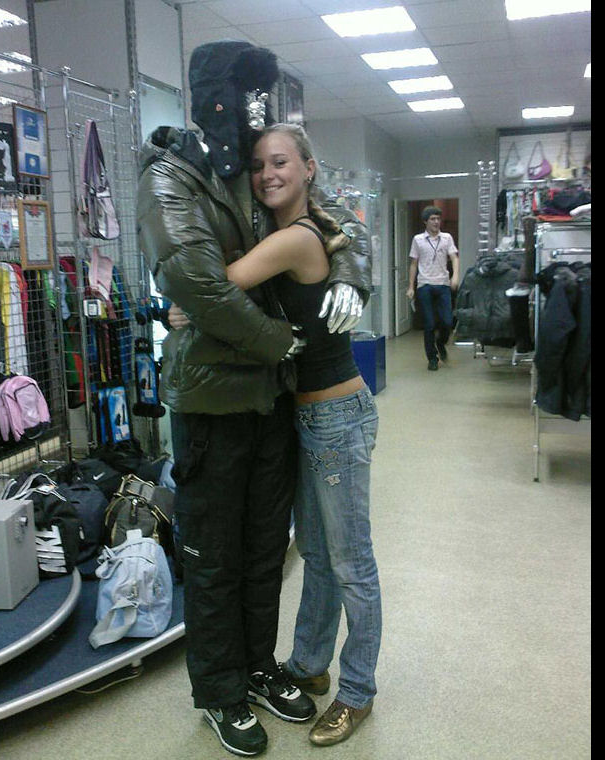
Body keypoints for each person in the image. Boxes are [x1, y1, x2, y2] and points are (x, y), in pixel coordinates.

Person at [136, 39, 372, 758]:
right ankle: (220, 690)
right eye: (239, 98)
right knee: (214, 555)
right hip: (213, 400)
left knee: (267, 549)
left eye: (257, 102)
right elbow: (197, 282)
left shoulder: (250, 171)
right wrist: (280, 343)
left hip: (272, 401)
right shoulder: (171, 173)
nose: (249, 120)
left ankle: (259, 665)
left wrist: (350, 275)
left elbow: (331, 222)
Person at [221, 122, 382, 748]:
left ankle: (357, 691)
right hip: (311, 418)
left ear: (309, 168)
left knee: (351, 564)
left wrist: (186, 304)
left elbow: (221, 283)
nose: (267, 174)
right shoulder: (302, 228)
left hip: (335, 417)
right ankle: (311, 663)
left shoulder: (297, 237)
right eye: (259, 164)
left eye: (281, 161)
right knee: (317, 553)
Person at [406, 206, 460, 370]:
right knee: (429, 324)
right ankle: (432, 358)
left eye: (438, 219)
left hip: (443, 284)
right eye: (432, 219)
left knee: (447, 321)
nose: (436, 222)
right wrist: (411, 287)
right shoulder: (418, 239)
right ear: (425, 222)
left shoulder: (446, 238)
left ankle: (441, 343)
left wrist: (455, 276)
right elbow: (414, 264)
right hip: (425, 285)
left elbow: (454, 258)